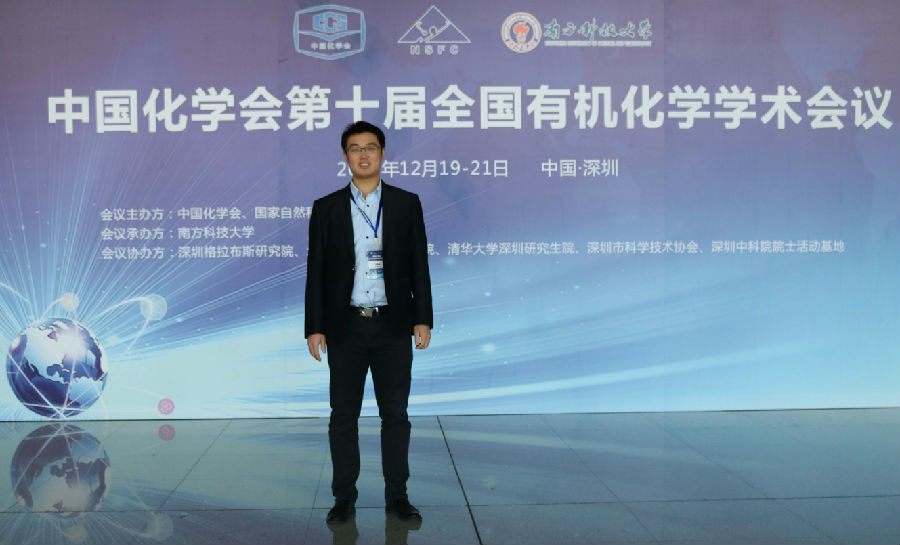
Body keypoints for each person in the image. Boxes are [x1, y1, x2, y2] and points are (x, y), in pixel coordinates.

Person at [305, 121, 433, 524]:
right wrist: (315, 326)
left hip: (393, 325)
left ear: (382, 153)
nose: (364, 155)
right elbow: (316, 271)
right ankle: (344, 498)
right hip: (345, 326)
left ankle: (398, 496)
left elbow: (419, 264)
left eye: (371, 147)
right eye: (355, 148)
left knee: (395, 414)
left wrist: (422, 318)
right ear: (345, 156)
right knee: (343, 416)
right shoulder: (326, 207)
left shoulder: (405, 203)